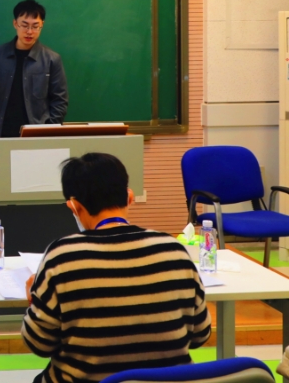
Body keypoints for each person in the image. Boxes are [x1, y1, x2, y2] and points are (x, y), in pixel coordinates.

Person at [22, 153, 211, 383]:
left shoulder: (61, 256)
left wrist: (34, 299)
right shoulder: (174, 250)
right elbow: (200, 335)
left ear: (74, 206)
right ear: (129, 197)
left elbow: (38, 344)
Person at [0, 0, 68, 137]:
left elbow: (60, 100)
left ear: (42, 25)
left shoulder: (52, 59)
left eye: (35, 26)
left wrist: (49, 130)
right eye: (24, 25)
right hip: (1, 132)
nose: (29, 31)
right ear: (15, 23)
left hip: (36, 134)